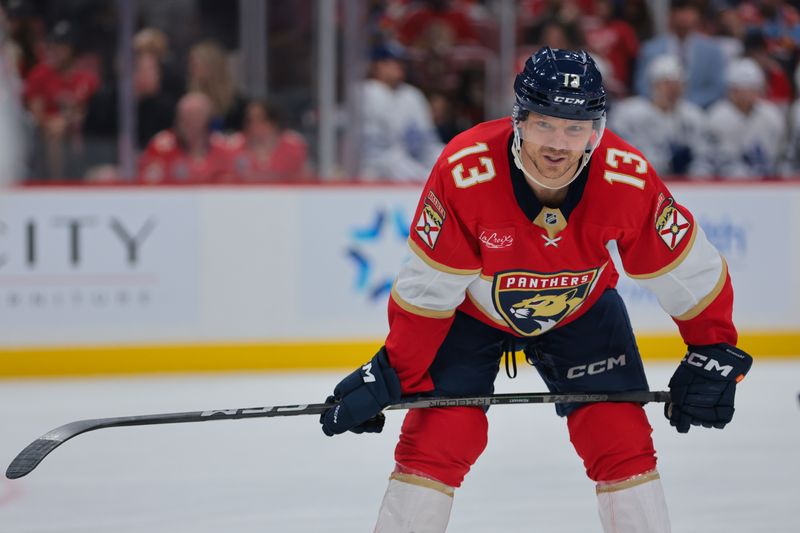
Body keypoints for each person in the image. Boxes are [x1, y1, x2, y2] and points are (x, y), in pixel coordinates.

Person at [319, 47, 752, 533]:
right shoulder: (466, 171)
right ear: (519, 120)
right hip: (473, 313)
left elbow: (686, 268)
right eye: (545, 123)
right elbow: (431, 288)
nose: (558, 144)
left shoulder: (626, 178)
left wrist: (713, 348)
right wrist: (395, 370)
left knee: (620, 438)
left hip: (582, 312)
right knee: (438, 436)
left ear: (596, 129)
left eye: (575, 127)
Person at [610, 54, 709, 178]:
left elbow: (704, 157)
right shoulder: (630, 113)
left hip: (687, 186)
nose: (673, 89)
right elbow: (622, 155)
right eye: (667, 83)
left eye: (678, 84)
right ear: (654, 85)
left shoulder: (693, 115)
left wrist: (693, 172)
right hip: (642, 181)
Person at [359, 42, 444, 181]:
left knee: (444, 154)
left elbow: (427, 141)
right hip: (375, 165)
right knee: (397, 165)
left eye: (400, 62)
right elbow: (376, 149)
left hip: (409, 159)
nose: (398, 66)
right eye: (391, 62)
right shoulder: (366, 92)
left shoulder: (412, 95)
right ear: (377, 65)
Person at [698, 57, 785, 179]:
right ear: (732, 90)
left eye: (754, 87)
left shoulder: (771, 115)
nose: (751, 92)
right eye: (746, 87)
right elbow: (707, 162)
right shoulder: (716, 117)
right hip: (726, 186)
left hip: (766, 184)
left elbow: (780, 157)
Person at [634, 0, 727, 108]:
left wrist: (686, 105)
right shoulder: (651, 49)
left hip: (700, 112)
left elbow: (717, 88)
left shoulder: (713, 50)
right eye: (679, 11)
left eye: (689, 11)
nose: (684, 17)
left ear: (697, 15)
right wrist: (663, 101)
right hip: (658, 111)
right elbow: (641, 84)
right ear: (670, 15)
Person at [138, 92, 237, 184]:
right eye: (184, 118)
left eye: (195, 117)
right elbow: (148, 187)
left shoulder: (224, 148)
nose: (189, 124)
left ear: (207, 120)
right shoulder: (160, 148)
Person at [231, 99, 309, 182]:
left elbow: (306, 180)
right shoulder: (233, 147)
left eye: (260, 120)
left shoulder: (293, 147)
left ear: (273, 122)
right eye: (249, 120)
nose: (253, 125)